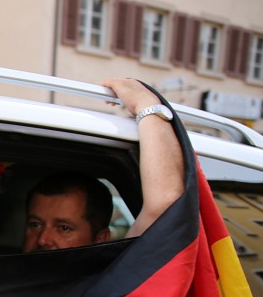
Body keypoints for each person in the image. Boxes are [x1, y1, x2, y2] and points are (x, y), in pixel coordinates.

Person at [22, 78, 185, 253]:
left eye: (63, 228)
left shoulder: (113, 279)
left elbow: (164, 207)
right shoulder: (0, 273)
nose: (43, 239)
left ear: (100, 239)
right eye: (35, 224)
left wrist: (146, 105)